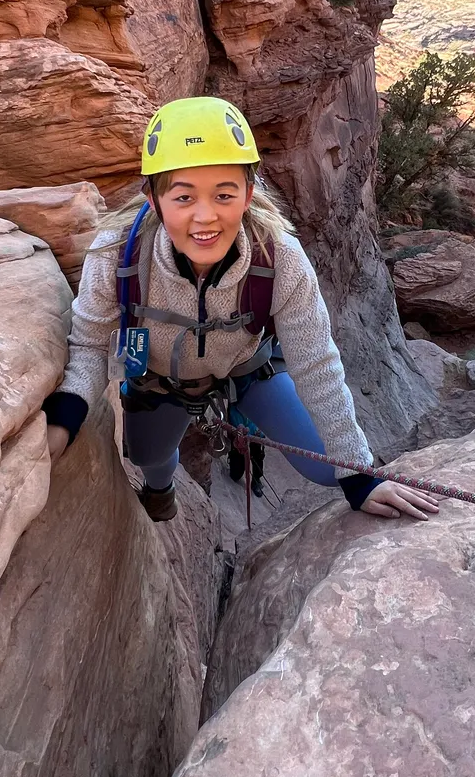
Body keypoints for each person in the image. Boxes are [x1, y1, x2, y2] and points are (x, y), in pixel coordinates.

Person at [42, 95, 440, 525]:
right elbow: (89, 345)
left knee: (330, 470)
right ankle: (161, 489)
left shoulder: (279, 258)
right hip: (160, 383)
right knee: (146, 456)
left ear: (248, 195)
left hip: (249, 371)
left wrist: (360, 475)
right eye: (183, 197)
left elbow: (317, 364)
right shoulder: (118, 253)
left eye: (224, 194)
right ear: (153, 200)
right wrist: (64, 421)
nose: (205, 217)